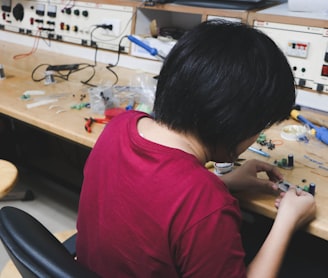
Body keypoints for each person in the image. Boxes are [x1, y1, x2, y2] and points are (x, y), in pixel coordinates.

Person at [76, 20, 316, 277]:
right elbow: (189, 202)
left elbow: (153, 194)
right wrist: (286, 222)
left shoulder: (120, 126)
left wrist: (224, 182)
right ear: (235, 124)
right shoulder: (206, 204)